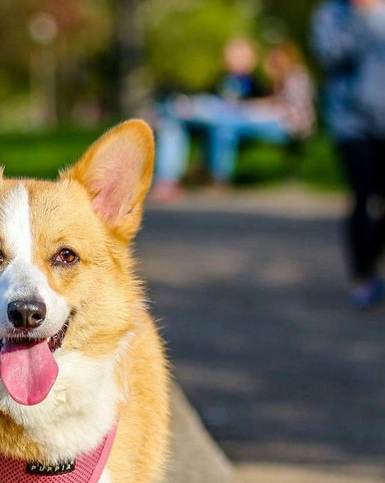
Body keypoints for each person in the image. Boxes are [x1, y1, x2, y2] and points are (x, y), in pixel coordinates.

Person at [154, 37, 315, 199]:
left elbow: (287, 110)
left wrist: (253, 107)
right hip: (222, 118)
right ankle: (170, 179)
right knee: (175, 123)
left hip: (288, 126)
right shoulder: (223, 78)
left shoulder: (288, 77)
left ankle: (214, 176)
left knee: (224, 123)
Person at [312, 0, 385, 309]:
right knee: (362, 197)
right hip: (351, 125)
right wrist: (362, 17)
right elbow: (330, 54)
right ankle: (362, 276)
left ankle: (370, 264)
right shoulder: (332, 13)